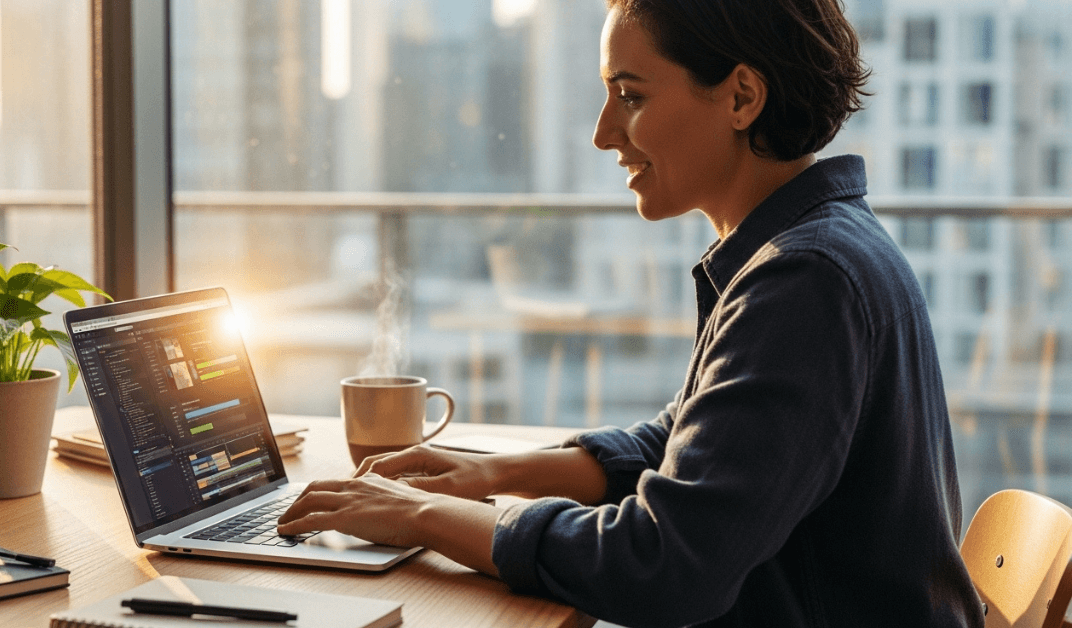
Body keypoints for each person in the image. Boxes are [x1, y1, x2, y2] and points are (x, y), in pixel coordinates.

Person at [279, 0, 985, 625]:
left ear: (741, 97)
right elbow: (683, 444)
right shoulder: (813, 245)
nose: (603, 132)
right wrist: (487, 475)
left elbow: (665, 564)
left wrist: (426, 515)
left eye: (630, 95)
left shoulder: (804, 280)